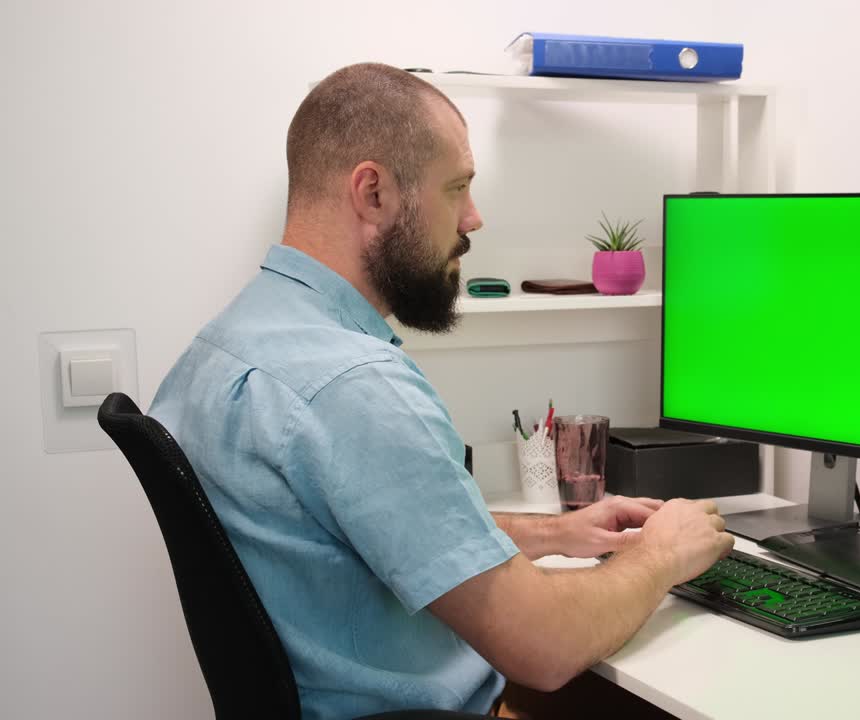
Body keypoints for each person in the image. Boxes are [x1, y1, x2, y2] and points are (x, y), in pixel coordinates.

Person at [149, 62, 734, 719]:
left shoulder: (230, 344)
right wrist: (663, 554)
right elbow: (545, 647)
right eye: (457, 188)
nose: (474, 218)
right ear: (372, 193)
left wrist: (558, 533)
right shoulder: (352, 387)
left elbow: (377, 534)